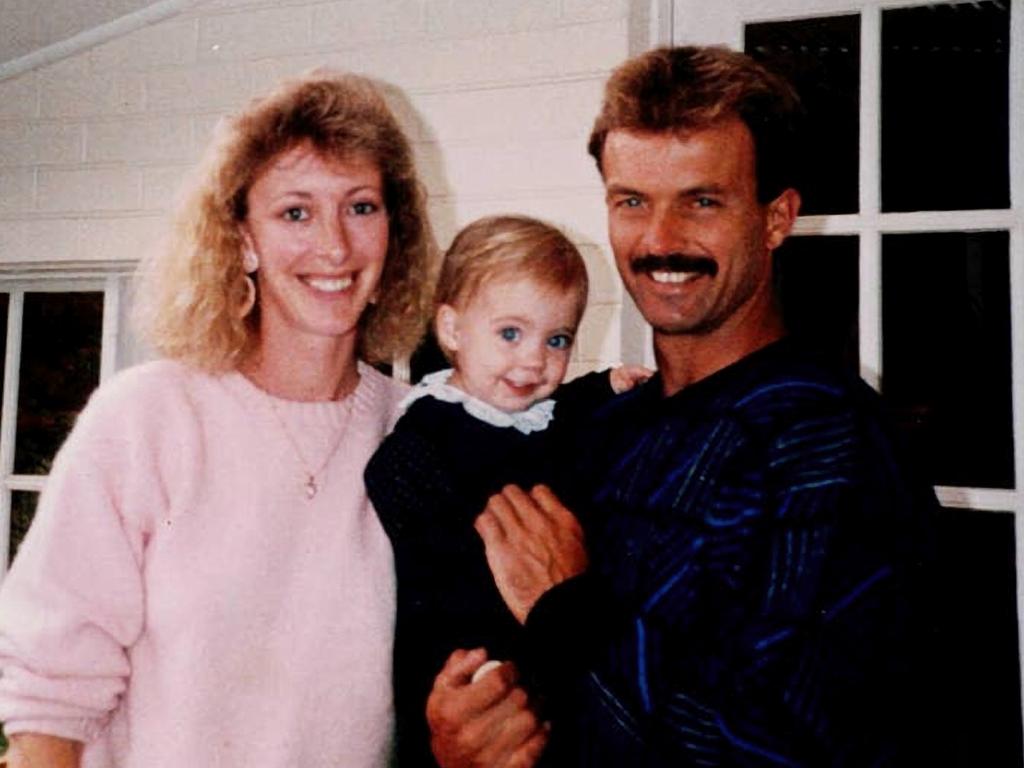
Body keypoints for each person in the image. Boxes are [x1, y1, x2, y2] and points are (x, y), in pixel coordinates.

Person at [426, 45, 941, 767]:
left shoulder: (827, 446)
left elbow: (782, 747)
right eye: (632, 202)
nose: (660, 241)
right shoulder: (602, 426)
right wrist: (471, 736)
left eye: (702, 201)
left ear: (777, 218)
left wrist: (569, 612)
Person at [0, 72, 433, 768]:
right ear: (243, 240)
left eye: (361, 207)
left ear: (394, 233)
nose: (334, 246)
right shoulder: (149, 418)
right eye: (295, 212)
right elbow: (51, 700)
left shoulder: (423, 434)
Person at [364, 214, 649, 767]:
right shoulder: (429, 431)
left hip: (539, 642)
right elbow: (398, 495)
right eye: (511, 333)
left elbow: (568, 408)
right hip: (461, 650)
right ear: (451, 330)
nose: (534, 360)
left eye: (557, 339)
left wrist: (609, 384)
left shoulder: (538, 413)